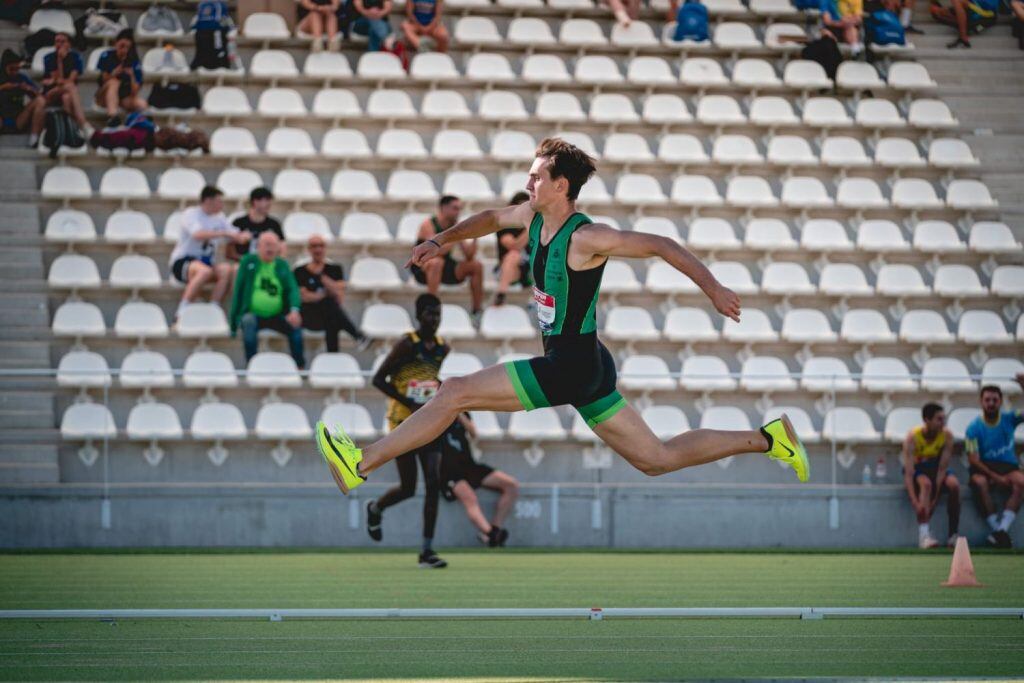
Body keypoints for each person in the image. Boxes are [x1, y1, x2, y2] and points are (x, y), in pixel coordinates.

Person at [315, 137, 809, 498]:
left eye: (535, 177)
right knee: (656, 460)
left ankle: (359, 463)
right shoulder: (530, 217)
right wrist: (439, 241)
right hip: (586, 364)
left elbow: (660, 245)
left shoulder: (585, 237)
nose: (527, 182)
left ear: (561, 185)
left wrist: (715, 289)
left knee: (454, 391)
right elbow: (489, 218)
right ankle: (769, 439)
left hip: (571, 365)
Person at [363, 293, 449, 568]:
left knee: (434, 483)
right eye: (429, 314)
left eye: (438, 314)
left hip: (430, 420)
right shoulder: (406, 345)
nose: (434, 320)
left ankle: (426, 551)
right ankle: (376, 508)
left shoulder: (441, 348)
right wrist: (408, 401)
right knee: (409, 488)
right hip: (403, 421)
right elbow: (379, 379)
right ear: (418, 315)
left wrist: (436, 390)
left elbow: (429, 376)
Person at [169, 186, 251, 320]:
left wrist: (243, 236)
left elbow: (235, 233)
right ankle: (182, 310)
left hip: (206, 263)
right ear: (208, 201)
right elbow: (198, 234)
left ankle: (214, 306)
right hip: (183, 262)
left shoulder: (220, 217)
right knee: (204, 272)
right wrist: (223, 233)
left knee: (226, 270)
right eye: (219, 201)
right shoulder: (191, 214)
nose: (222, 205)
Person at [440, 413, 519, 546]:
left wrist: (458, 413)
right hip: (448, 470)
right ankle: (490, 534)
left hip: (469, 466)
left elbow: (474, 433)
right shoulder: (436, 413)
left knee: (511, 486)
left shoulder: (462, 413)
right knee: (470, 498)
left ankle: (495, 530)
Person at [229, 231, 305, 368]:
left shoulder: (282, 265)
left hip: (278, 315)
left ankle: (299, 367)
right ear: (258, 246)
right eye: (267, 244)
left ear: (278, 248)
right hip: (254, 314)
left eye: (274, 245)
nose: (270, 248)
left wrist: (294, 310)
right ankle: (251, 365)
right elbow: (238, 291)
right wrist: (233, 323)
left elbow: (293, 289)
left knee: (295, 326)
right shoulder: (248, 262)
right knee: (248, 321)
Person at [965, 378, 1024, 548]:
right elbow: (973, 459)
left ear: (1001, 402)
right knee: (980, 482)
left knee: (1020, 482)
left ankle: (1000, 531)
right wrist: (996, 478)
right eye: (987, 400)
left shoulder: (1010, 418)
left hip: (1008, 466)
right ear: (981, 402)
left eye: (995, 400)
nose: (991, 403)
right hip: (984, 467)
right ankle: (997, 529)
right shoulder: (973, 428)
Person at [410, 195, 484, 318]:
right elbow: (437, 251)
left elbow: (469, 256)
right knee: (436, 262)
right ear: (443, 208)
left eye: (459, 209)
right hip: (423, 266)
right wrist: (457, 235)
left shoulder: (455, 226)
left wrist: (476, 235)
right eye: (455, 208)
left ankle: (477, 312)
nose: (458, 212)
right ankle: (431, 308)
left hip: (445, 267)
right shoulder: (428, 225)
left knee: (476, 266)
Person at [293, 235, 370, 352]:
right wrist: (325, 294)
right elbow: (303, 297)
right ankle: (357, 336)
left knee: (332, 314)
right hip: (307, 316)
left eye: (321, 246)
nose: (318, 249)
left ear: (325, 249)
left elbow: (339, 296)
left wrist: (321, 277)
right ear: (309, 249)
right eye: (314, 246)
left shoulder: (335, 269)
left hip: (328, 315)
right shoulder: (299, 271)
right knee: (330, 305)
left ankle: (333, 358)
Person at [902, 403, 960, 549]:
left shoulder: (947, 435)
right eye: (939, 419)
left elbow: (942, 469)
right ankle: (924, 536)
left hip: (935, 469)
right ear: (926, 420)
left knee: (954, 485)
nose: (943, 423)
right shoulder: (912, 437)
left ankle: (953, 535)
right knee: (926, 485)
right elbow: (909, 473)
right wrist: (915, 501)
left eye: (944, 419)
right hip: (918, 470)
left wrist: (936, 497)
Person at [94, 29, 146, 129]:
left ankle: (133, 124)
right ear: (115, 44)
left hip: (123, 98)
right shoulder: (107, 55)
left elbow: (135, 92)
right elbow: (103, 80)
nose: (124, 50)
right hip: (103, 97)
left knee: (142, 104)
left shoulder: (133, 61)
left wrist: (131, 76)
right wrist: (114, 73)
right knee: (114, 82)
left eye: (127, 47)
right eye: (122, 46)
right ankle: (113, 117)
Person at [41, 32, 91, 136]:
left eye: (62, 42)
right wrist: (59, 61)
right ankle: (83, 123)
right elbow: (59, 81)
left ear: (69, 44)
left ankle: (72, 129)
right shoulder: (49, 57)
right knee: (70, 87)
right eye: (57, 41)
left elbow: (70, 80)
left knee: (67, 97)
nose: (59, 44)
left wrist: (56, 80)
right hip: (51, 93)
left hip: (67, 92)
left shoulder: (76, 57)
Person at [493, 191, 531, 307]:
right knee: (513, 255)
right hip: (508, 270)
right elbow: (514, 246)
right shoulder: (505, 226)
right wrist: (530, 227)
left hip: (530, 268)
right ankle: (501, 294)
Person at [0, 49, 45, 148]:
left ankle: (34, 139)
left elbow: (39, 95)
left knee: (40, 101)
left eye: (17, 69)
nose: (15, 72)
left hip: (18, 119)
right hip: (2, 119)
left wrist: (30, 89)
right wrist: (3, 87)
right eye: (12, 69)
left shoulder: (21, 78)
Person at [232, 187, 284, 256]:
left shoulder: (274, 224)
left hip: (267, 263)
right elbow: (230, 250)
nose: (269, 204)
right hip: (243, 262)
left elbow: (283, 246)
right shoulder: (239, 222)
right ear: (255, 201)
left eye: (269, 200)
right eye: (266, 200)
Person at [929, 0, 998, 47]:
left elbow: (991, 6)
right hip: (971, 9)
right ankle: (964, 25)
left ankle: (963, 37)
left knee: (956, 1)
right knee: (935, 10)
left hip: (986, 15)